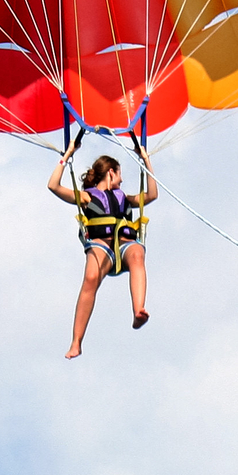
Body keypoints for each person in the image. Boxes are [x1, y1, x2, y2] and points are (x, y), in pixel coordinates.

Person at [49, 134, 157, 358]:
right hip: (101, 248)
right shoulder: (87, 197)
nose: (122, 179)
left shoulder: (125, 199)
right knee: (90, 278)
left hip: (126, 248)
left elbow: (153, 194)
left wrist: (146, 160)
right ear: (111, 172)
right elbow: (53, 186)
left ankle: (138, 310)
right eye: (120, 173)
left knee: (138, 253)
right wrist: (67, 155)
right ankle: (76, 342)